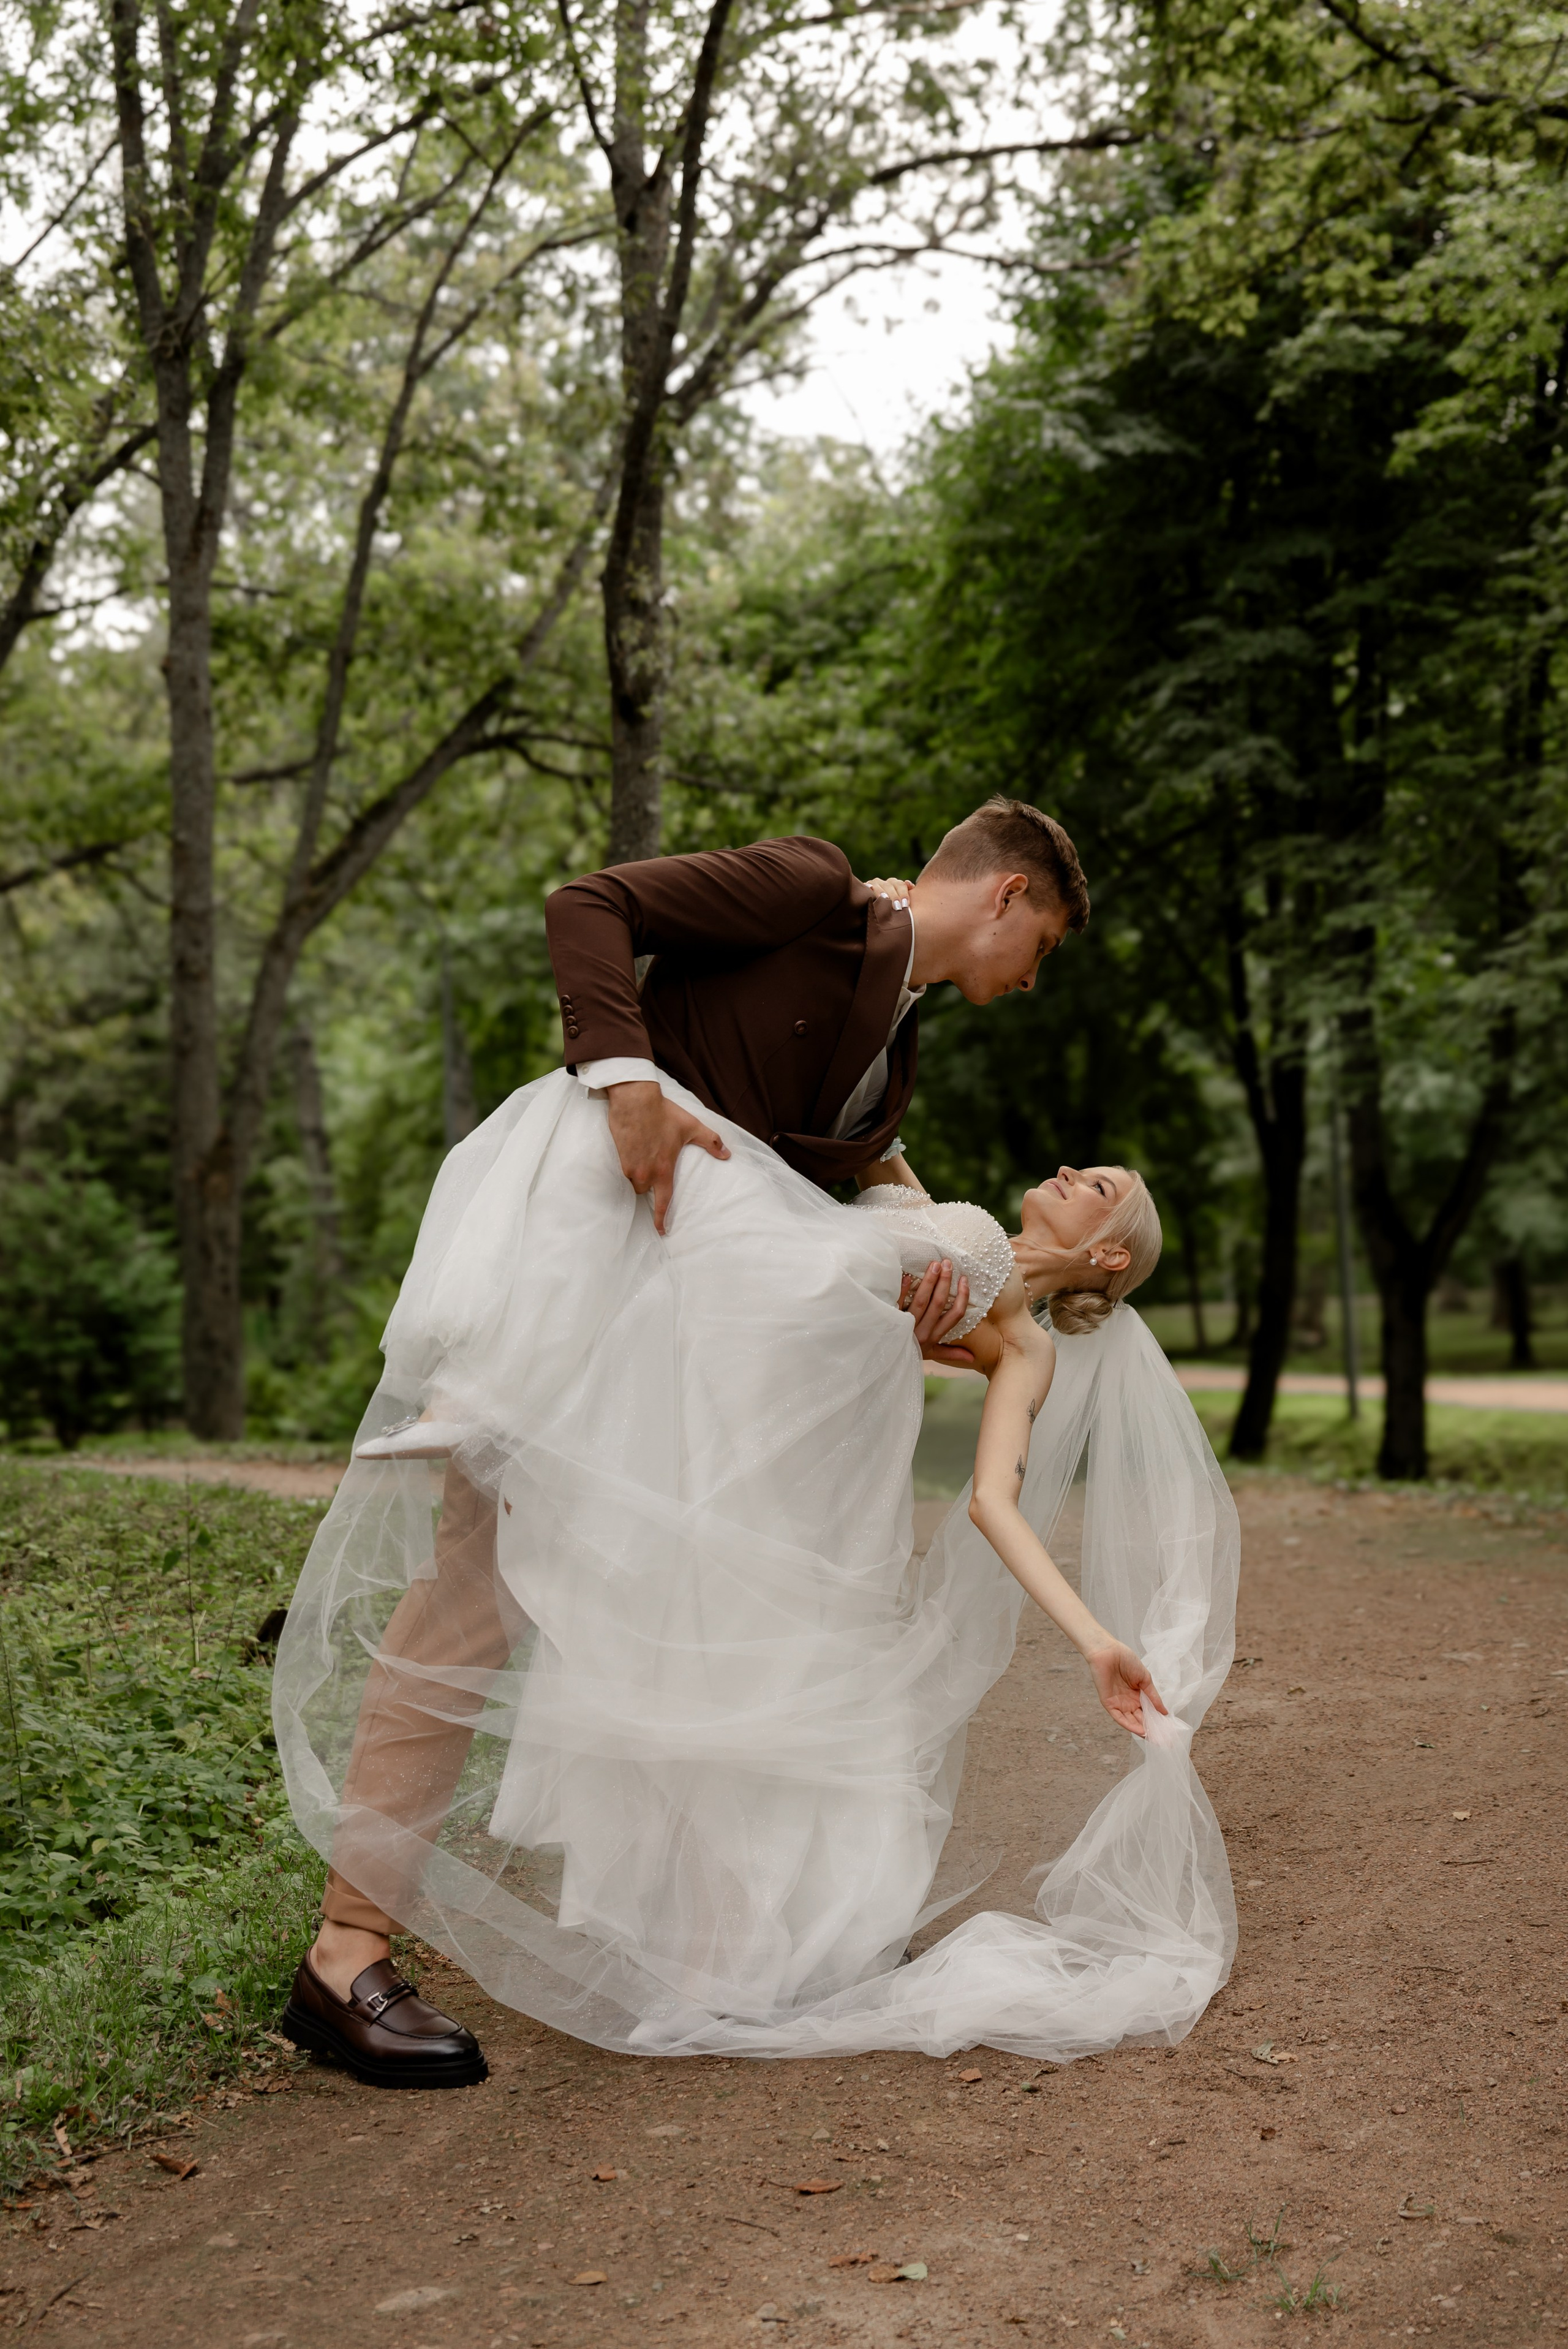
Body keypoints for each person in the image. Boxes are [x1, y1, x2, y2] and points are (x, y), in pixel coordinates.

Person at [274, 800, 1100, 2086]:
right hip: (582, 1258)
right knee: (469, 1599)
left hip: (671, 1320)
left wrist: (944, 1257)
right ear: (1001, 895)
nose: (1029, 981)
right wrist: (624, 1085)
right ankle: (342, 1958)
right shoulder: (815, 888)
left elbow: (852, 1158)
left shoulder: (893, 1026)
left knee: (630, 1606)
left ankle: (700, 1935)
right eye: (1039, 947)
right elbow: (586, 905)